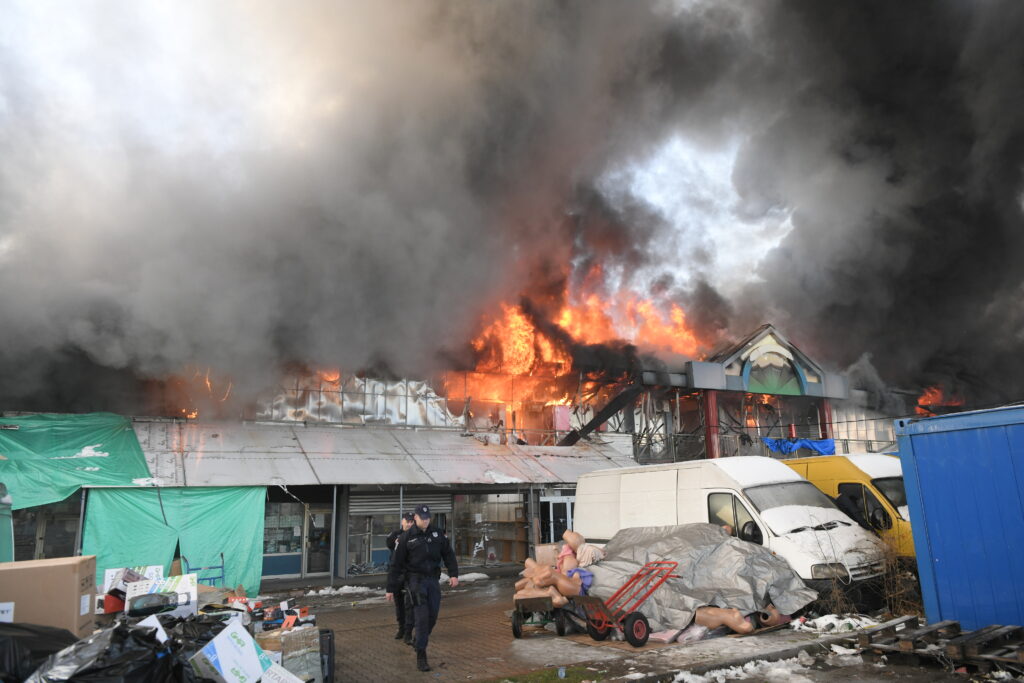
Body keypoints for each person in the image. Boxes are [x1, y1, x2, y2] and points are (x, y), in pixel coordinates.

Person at [386, 504, 459, 672]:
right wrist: (391, 588)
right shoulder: (407, 537)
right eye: (422, 518)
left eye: (427, 518)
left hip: (432, 580)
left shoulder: (437, 534)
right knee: (421, 618)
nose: (425, 521)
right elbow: (395, 564)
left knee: (432, 616)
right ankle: (421, 655)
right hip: (415, 581)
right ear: (415, 518)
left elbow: (448, 554)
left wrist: (454, 574)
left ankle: (419, 638)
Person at [386, 512, 415, 643]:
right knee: (399, 604)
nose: (409, 524)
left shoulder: (416, 535)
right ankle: (401, 629)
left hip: (410, 574)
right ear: (402, 521)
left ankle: (409, 631)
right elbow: (389, 543)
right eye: (407, 521)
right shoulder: (395, 535)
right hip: (397, 574)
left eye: (411, 521)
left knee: (410, 604)